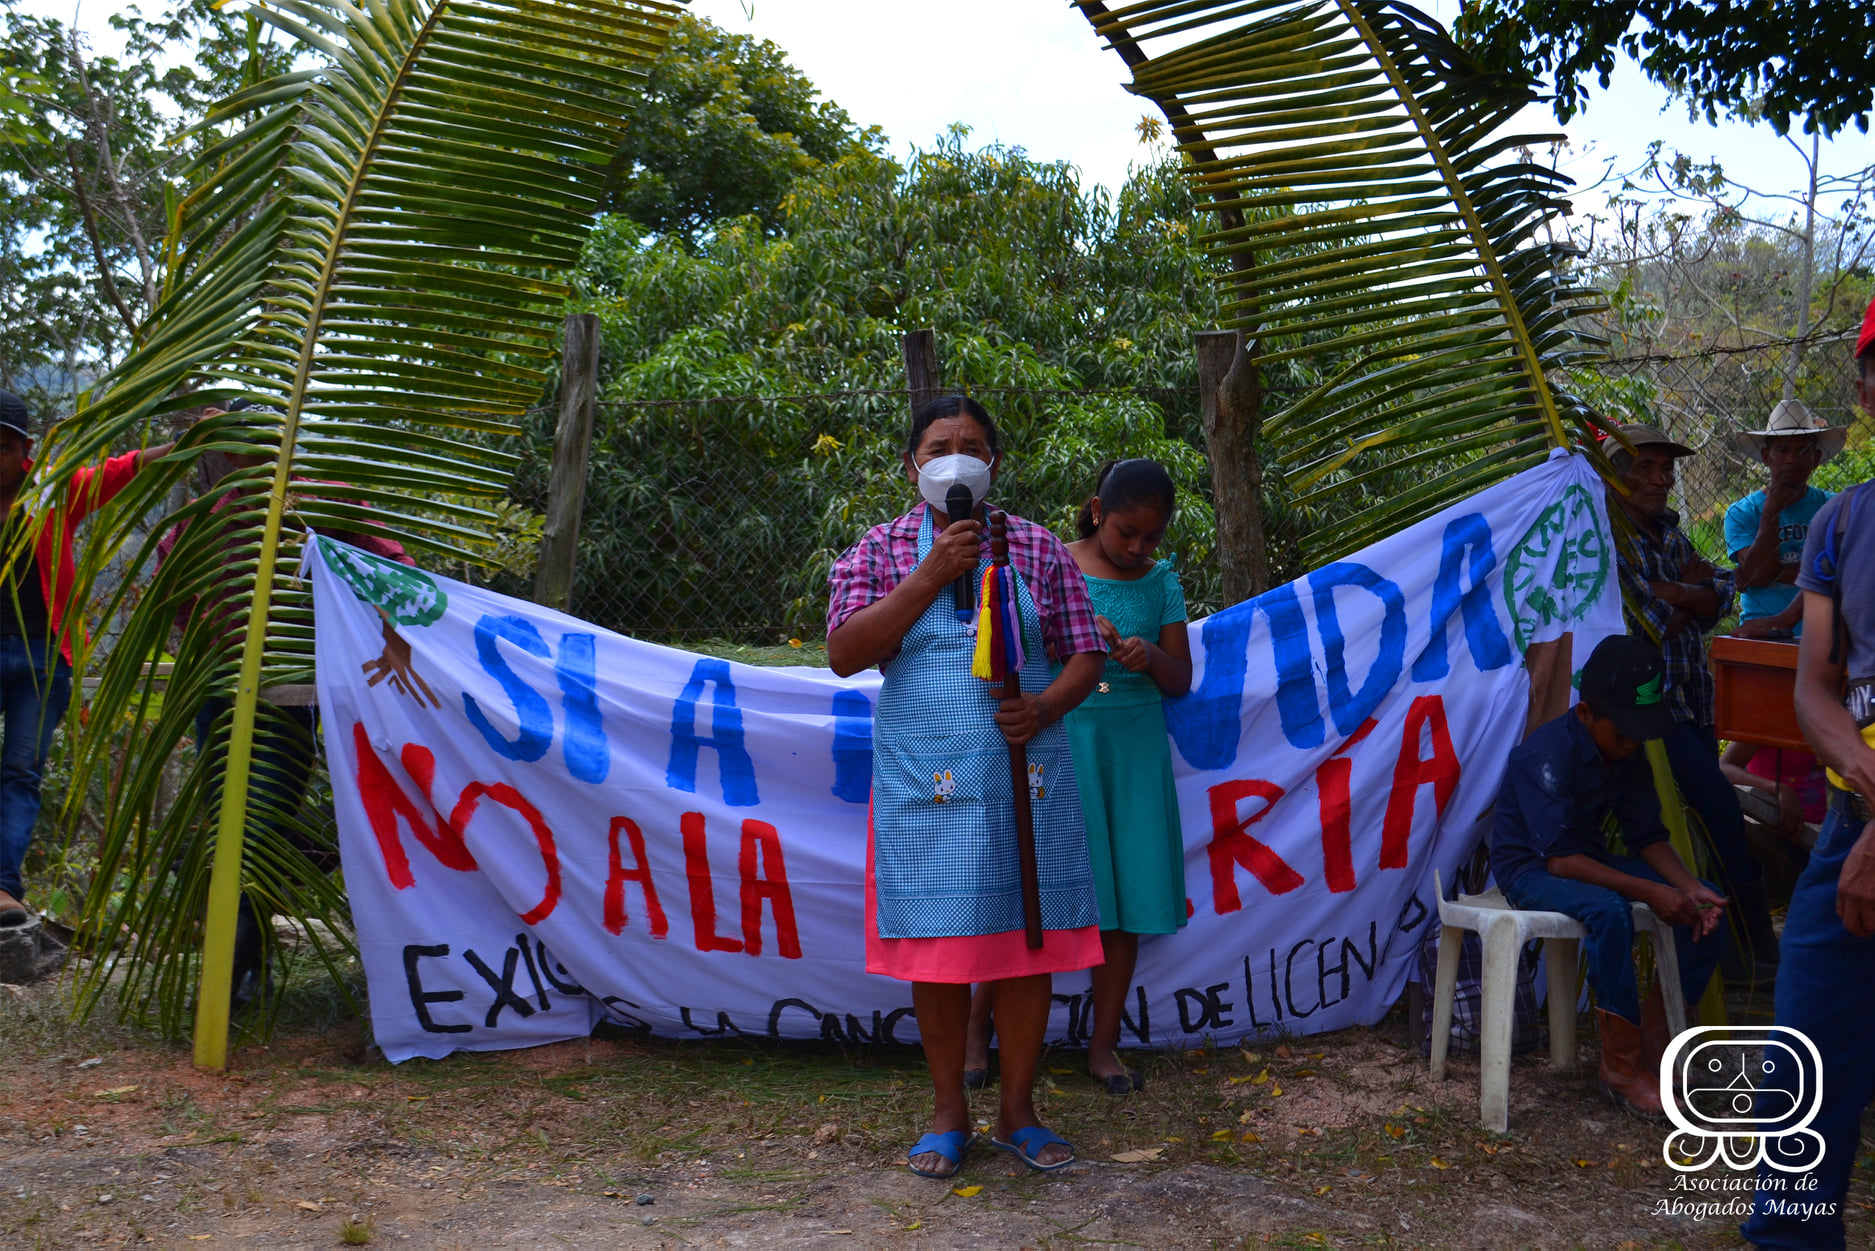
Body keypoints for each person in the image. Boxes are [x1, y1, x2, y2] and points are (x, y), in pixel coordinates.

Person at [827, 395, 1106, 1179]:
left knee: (1027, 944)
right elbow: (845, 651)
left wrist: (1046, 704)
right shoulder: (878, 551)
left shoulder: (1039, 548)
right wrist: (931, 574)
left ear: (995, 463)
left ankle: (1018, 1110)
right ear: (912, 465)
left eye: (974, 445)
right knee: (936, 948)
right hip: (929, 780)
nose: (959, 458)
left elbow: (1085, 651)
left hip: (1029, 775)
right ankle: (949, 1111)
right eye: (941, 445)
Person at [158, 399, 415, 1009]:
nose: (232, 455)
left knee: (252, 827)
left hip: (290, 697)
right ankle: (250, 961)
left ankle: (231, 975)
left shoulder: (318, 500)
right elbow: (176, 599)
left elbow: (393, 566)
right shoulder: (198, 522)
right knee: (233, 829)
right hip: (219, 698)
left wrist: (390, 630)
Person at [1744, 297, 1875, 1248]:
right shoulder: (1841, 525)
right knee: (1805, 1062)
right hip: (1848, 826)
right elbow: (1814, 688)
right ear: (1865, 392)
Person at [1489, 634, 1727, 1117]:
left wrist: (1688, 887)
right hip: (1531, 869)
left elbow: (1648, 838)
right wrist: (1652, 891)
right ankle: (1619, 1069)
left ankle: (1655, 1049)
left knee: (1707, 904)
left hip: (1582, 860)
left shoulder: (1625, 751)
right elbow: (1558, 861)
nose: (1630, 742)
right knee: (1609, 910)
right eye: (1622, 731)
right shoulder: (1547, 756)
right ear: (1585, 715)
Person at [0, 389, 181, 926]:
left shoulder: (53, 493)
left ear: (24, 449)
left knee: (21, 771)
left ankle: (3, 888)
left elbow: (120, 469)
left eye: (3, 446)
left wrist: (188, 442)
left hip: (42, 658)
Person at [1608, 422, 1779, 982]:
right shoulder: (1614, 541)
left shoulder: (1670, 536)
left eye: (1666, 469)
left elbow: (1723, 593)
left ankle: (1739, 953)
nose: (1662, 480)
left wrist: (1681, 589)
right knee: (1721, 813)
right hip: (1656, 710)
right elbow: (1649, 626)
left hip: (1696, 701)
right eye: (1646, 469)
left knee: (1712, 825)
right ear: (1615, 477)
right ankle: (1749, 955)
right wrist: (1693, 595)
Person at [1060, 459, 1192, 1094]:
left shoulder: (1162, 581)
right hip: (1065, 738)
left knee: (1124, 905)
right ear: (1095, 511)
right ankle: (980, 1035)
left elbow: (1182, 679)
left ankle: (1102, 1047)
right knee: (1035, 888)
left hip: (1135, 749)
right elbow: (1022, 650)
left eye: (1151, 537)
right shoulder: (1052, 564)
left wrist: (1152, 656)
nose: (1138, 548)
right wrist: (1085, 634)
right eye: (1125, 533)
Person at [1725, 398, 1844, 640]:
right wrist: (1771, 510)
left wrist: (1772, 571)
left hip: (1824, 632)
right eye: (1782, 450)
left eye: (1801, 451)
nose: (1791, 459)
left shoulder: (1834, 506)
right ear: (1767, 456)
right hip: (1759, 632)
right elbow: (1757, 574)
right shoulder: (1742, 512)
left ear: (1816, 457)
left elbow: (1843, 574)